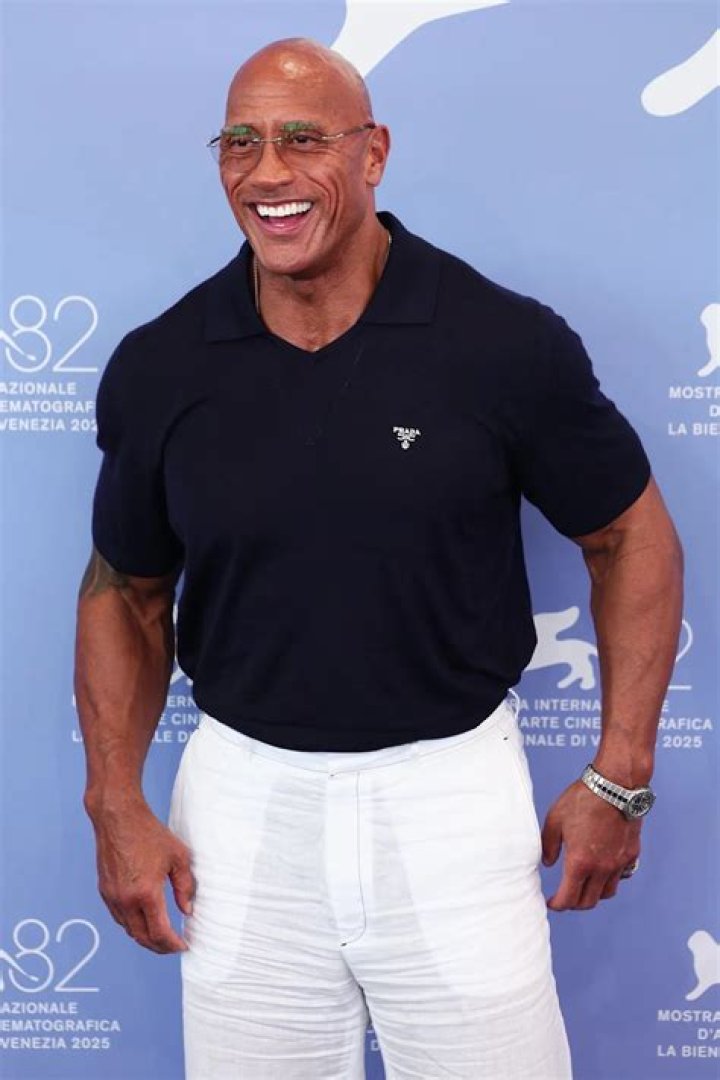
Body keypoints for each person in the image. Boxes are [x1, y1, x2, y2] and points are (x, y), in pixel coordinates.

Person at [74, 37, 683, 1080]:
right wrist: (115, 802)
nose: (267, 172)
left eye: (302, 139)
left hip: (451, 801)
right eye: (240, 143)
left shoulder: (501, 342)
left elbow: (629, 536)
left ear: (374, 153)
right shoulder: (161, 363)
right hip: (240, 817)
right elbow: (123, 590)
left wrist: (620, 774)